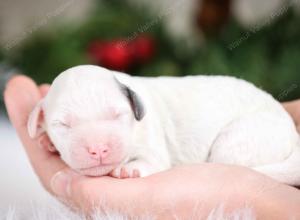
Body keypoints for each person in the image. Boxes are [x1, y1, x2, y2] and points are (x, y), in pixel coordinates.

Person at [4, 75, 300, 219]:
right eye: (63, 126)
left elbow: (154, 160)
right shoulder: (116, 97)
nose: (96, 148)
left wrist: (141, 167)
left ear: (134, 106)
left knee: (231, 156)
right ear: (40, 119)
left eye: (115, 116)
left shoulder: (143, 106)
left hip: (258, 127)